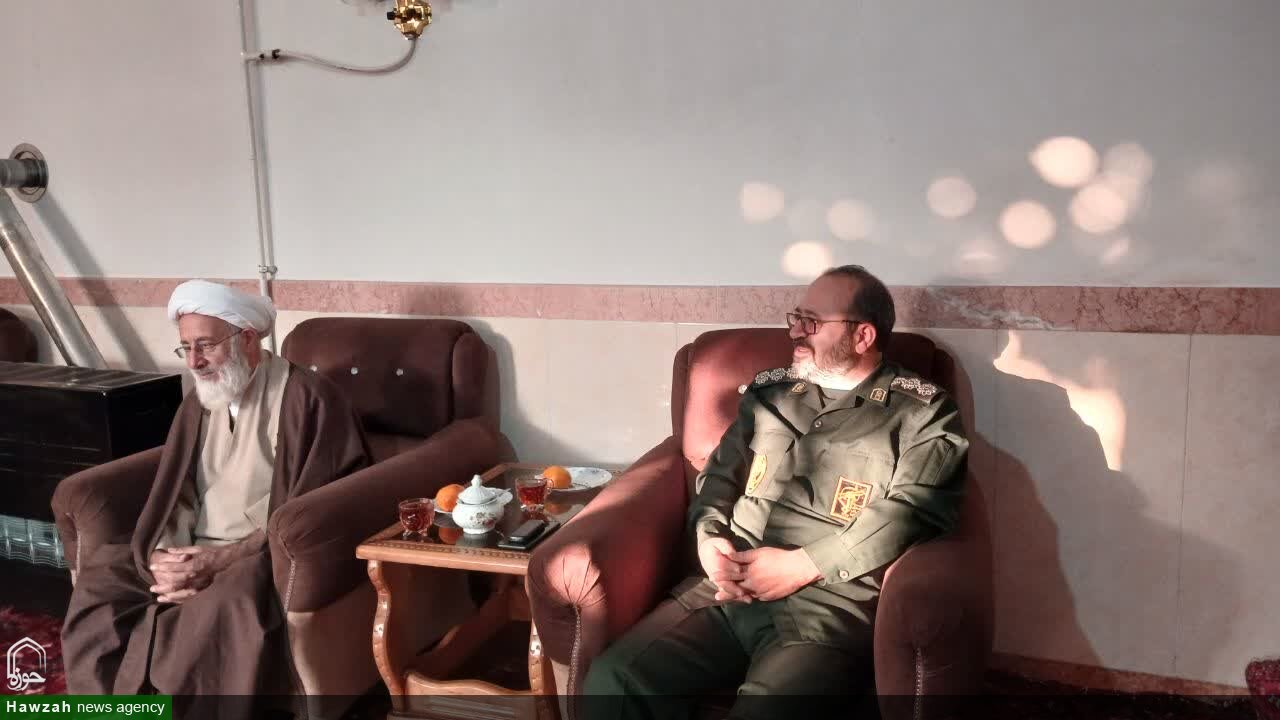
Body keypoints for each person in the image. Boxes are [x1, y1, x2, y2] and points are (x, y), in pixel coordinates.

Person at [583, 265, 969, 719]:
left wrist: (804, 565)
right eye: (797, 318)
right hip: (726, 588)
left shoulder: (922, 413)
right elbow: (720, 476)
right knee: (612, 682)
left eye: (812, 322)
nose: (795, 332)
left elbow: (914, 509)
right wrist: (709, 540)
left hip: (825, 606)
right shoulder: (770, 392)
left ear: (863, 336)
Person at [61, 280, 372, 708]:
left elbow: (313, 511)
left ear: (247, 339)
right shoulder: (199, 402)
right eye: (185, 347)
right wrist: (167, 556)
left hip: (259, 555)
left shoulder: (308, 398)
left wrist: (221, 560)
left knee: (224, 605)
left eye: (205, 345)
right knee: (103, 580)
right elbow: (178, 491)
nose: (194, 361)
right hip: (191, 548)